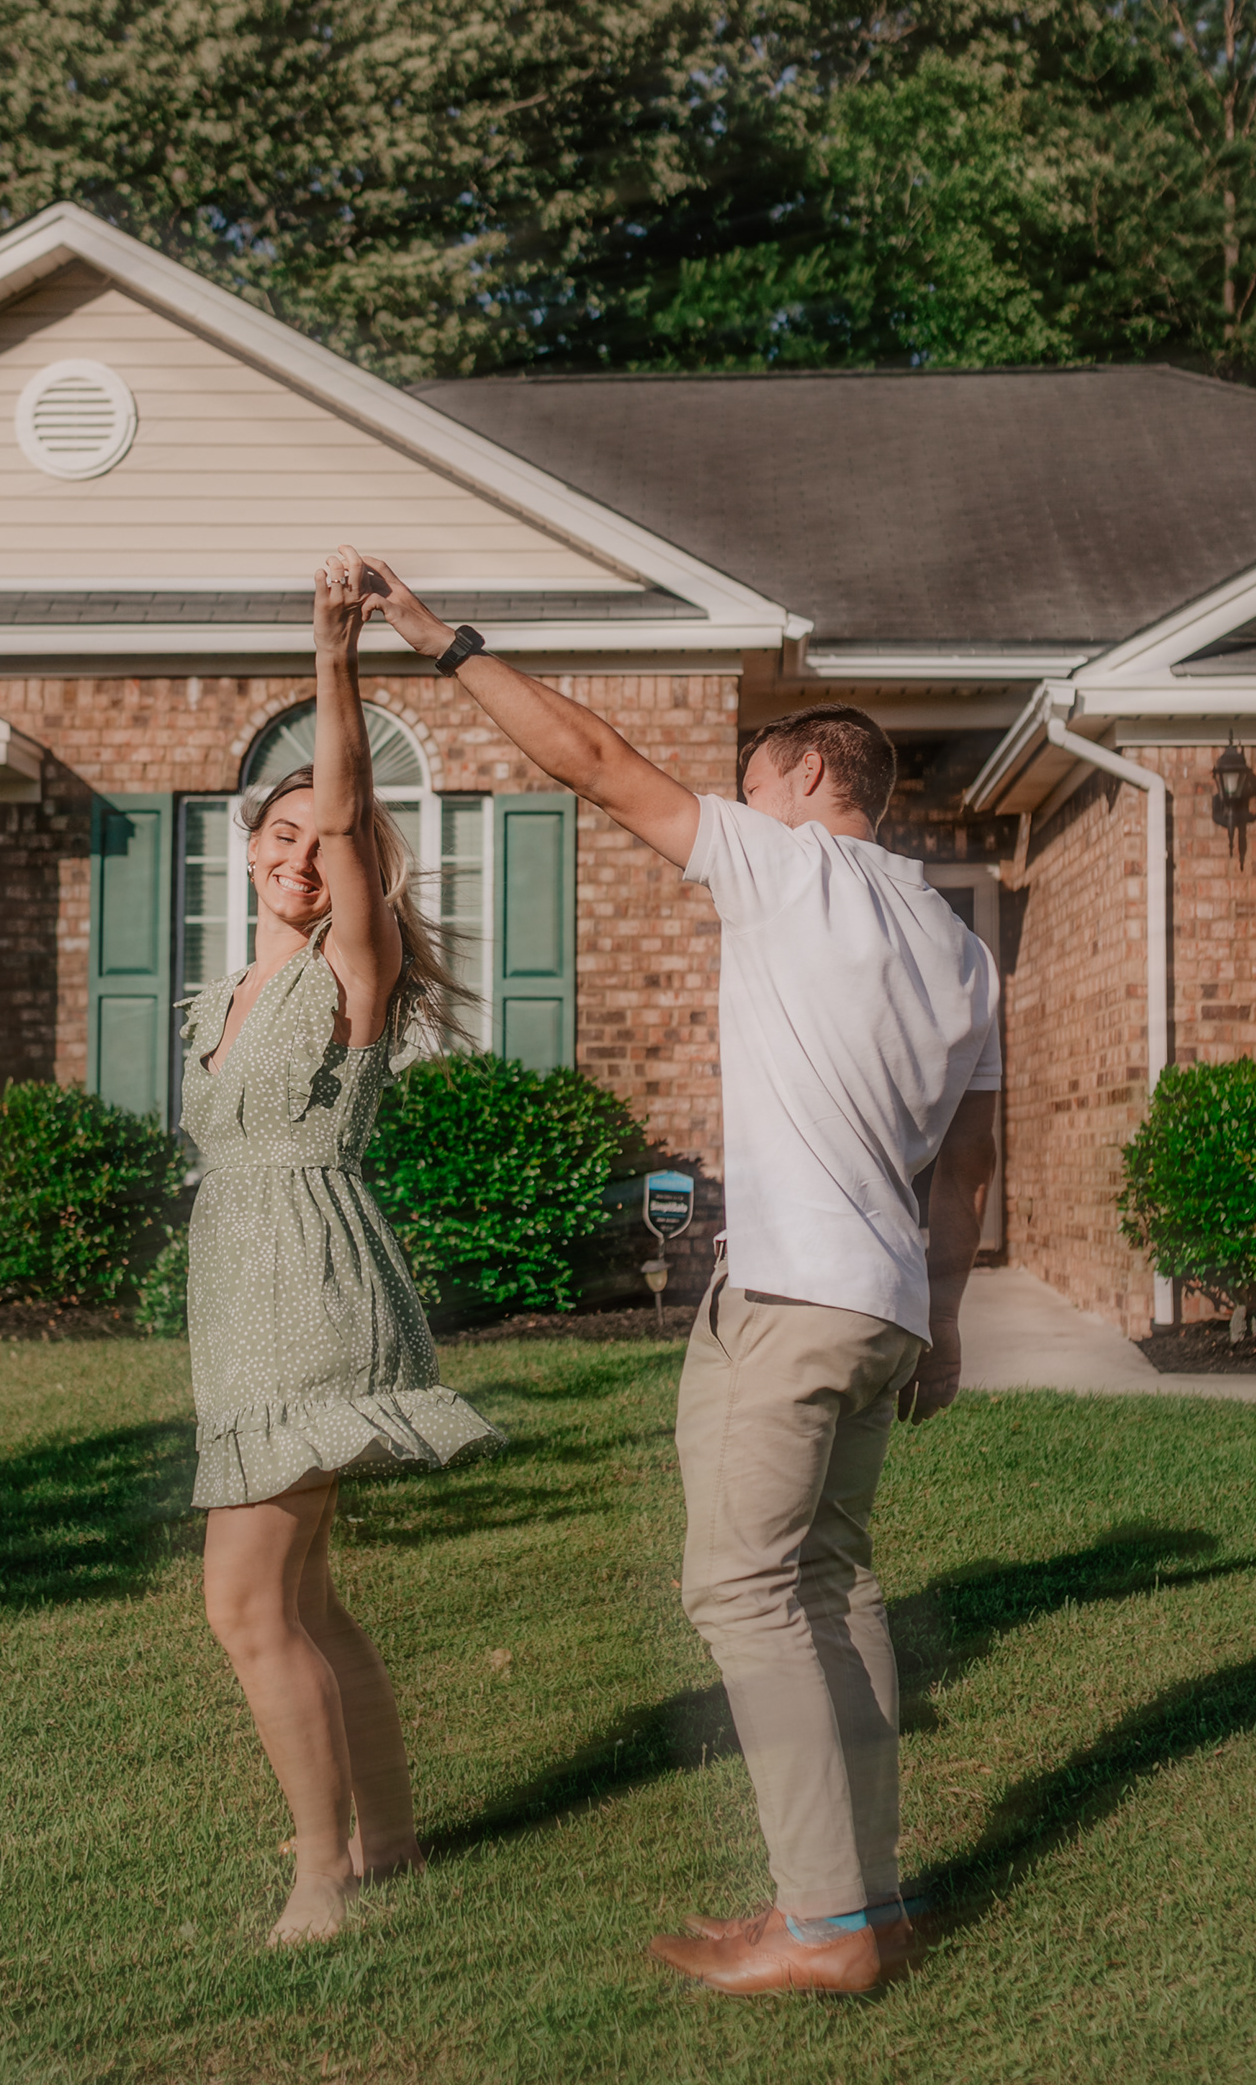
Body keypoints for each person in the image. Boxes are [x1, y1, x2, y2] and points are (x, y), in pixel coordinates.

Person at [359, 548, 1001, 1998]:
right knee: (831, 1582)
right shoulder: (962, 951)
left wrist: (438, 638)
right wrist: (947, 1321)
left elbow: (593, 762)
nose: (735, 799)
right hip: (882, 1305)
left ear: (803, 778)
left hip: (794, 1298)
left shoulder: (787, 866)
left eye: (749, 778)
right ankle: (867, 1902)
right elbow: (968, 1170)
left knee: (743, 1593)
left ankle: (825, 1928)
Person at [180, 554, 500, 1948]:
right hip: (239, 1296)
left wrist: (333, 656)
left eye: (327, 839)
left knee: (245, 1602)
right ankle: (391, 1841)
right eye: (281, 833)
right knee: (304, 1596)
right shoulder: (227, 992)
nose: (302, 857)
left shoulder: (348, 969)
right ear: (249, 841)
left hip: (308, 1293)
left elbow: (355, 812)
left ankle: (325, 1877)